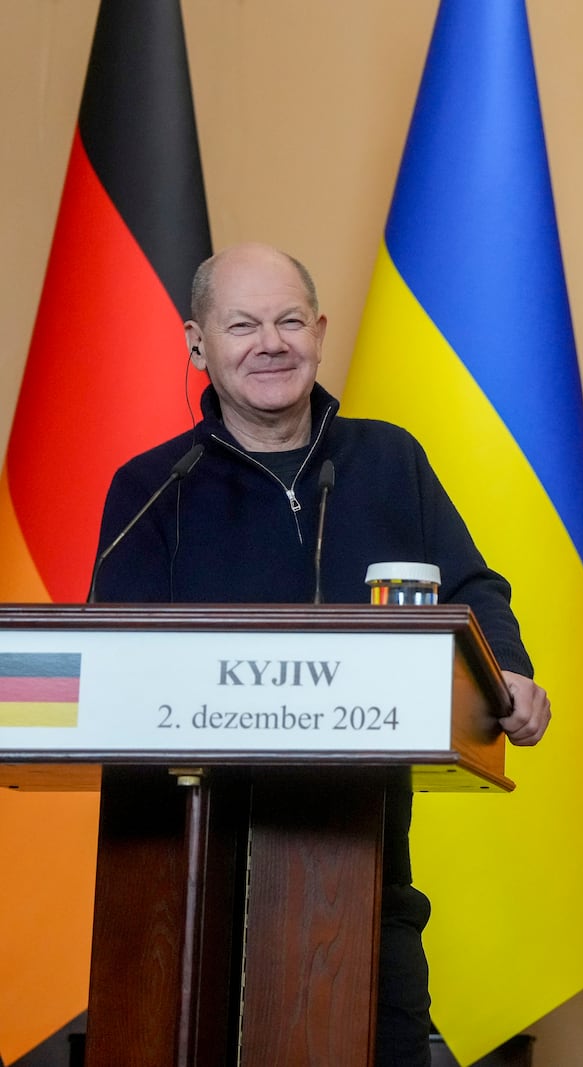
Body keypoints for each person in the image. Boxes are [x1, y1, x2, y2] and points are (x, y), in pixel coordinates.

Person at [93, 242, 552, 1065]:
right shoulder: (150, 487)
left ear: (320, 331)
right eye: (242, 325)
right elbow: (104, 667)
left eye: (288, 320)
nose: (270, 342)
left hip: (366, 877)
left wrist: (509, 670)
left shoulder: (387, 461)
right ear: (198, 344)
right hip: (182, 885)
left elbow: (473, 587)